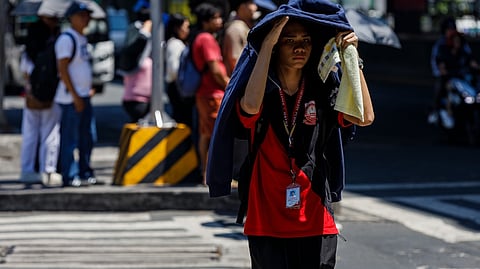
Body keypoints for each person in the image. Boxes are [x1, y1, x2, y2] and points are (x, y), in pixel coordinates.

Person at [206, 1, 374, 268]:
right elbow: (249, 108)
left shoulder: (323, 89)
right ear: (275, 48)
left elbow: (364, 117)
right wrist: (267, 44)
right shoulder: (261, 90)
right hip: (266, 221)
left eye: (306, 40)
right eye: (289, 40)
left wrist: (352, 57)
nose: (299, 47)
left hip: (316, 217)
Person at [55, 2, 97, 187]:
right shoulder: (67, 39)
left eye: (87, 15)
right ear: (71, 17)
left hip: (83, 95)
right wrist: (75, 95)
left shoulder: (82, 38)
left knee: (88, 137)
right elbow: (63, 69)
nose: (85, 19)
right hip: (71, 98)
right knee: (70, 139)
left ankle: (85, 170)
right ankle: (69, 174)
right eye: (81, 15)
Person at [19, 14, 62, 185]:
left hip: (32, 96)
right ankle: (48, 170)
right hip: (52, 95)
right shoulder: (54, 46)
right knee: (50, 134)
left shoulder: (29, 51)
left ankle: (27, 170)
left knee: (30, 134)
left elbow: (25, 73)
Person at [192, 3, 230, 185]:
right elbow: (215, 70)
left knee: (207, 134)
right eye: (215, 17)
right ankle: (212, 175)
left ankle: (207, 174)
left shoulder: (201, 37)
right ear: (206, 21)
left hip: (206, 94)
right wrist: (230, 86)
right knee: (216, 135)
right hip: (212, 94)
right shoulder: (207, 39)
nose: (220, 21)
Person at [429, 17, 478, 126]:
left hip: (461, 76)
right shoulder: (441, 47)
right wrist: (442, 72)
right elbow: (438, 62)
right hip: (447, 76)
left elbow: (470, 60)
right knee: (442, 88)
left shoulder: (463, 47)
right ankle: (437, 110)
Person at [118, 2, 153, 123]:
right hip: (136, 99)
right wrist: (145, 31)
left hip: (147, 98)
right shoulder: (136, 32)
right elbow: (134, 48)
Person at [165, 13, 192, 126]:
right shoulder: (175, 44)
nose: (188, 30)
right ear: (177, 28)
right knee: (183, 120)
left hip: (176, 87)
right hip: (177, 88)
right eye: (186, 27)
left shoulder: (174, 43)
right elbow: (174, 70)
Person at [223, 0, 258, 76]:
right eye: (251, 3)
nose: (255, 7)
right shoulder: (236, 28)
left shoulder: (243, 26)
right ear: (242, 7)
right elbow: (234, 60)